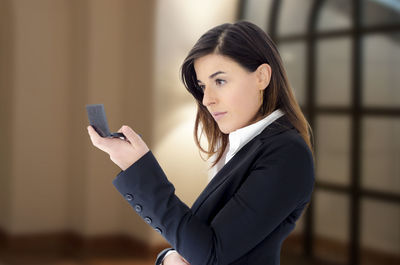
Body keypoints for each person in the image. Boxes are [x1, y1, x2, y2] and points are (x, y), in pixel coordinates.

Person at [87, 21, 315, 265]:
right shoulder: (242, 146)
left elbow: (211, 253)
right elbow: (201, 240)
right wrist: (168, 258)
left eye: (220, 81)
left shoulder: (288, 153)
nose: (207, 99)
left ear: (261, 77)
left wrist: (139, 167)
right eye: (203, 86)